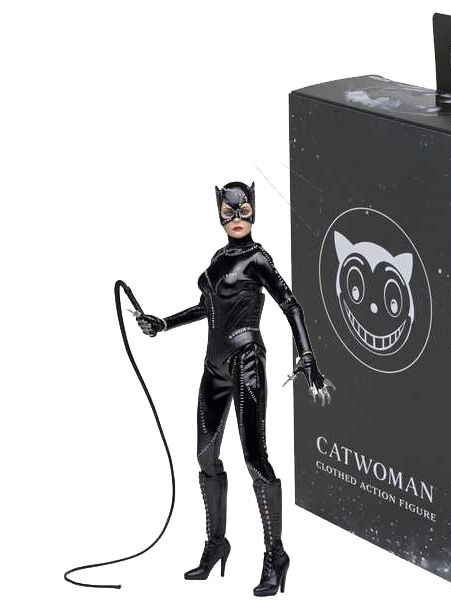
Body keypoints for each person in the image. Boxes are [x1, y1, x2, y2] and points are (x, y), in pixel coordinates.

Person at [136, 181, 333, 596]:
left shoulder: (258, 257)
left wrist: (308, 356)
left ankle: (275, 555)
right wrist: (163, 323)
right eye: (229, 212)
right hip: (214, 366)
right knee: (205, 456)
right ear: (219, 214)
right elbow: (207, 307)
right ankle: (216, 544)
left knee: (255, 458)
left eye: (244, 209)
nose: (237, 218)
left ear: (255, 210)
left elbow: (291, 304)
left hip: (246, 362)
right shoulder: (218, 259)